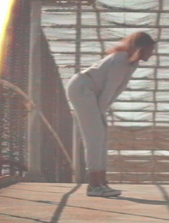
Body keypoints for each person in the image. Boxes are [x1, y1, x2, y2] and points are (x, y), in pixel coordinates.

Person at [66, 32, 156, 197]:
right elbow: (109, 90)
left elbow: (116, 90)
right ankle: (94, 185)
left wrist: (102, 112)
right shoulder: (121, 60)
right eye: (150, 49)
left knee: (101, 136)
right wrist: (101, 113)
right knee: (95, 136)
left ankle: (101, 182)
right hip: (82, 89)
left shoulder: (131, 63)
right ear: (141, 48)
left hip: (90, 92)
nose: (152, 53)